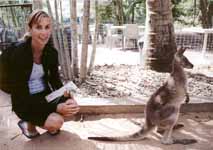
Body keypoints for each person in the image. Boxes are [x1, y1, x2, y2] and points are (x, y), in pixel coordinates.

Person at [0, 9, 79, 139]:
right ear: (30, 29)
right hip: (23, 99)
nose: (44, 32)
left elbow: (55, 81)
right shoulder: (18, 54)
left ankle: (41, 119)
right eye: (38, 27)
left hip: (44, 95)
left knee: (71, 105)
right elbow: (21, 95)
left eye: (47, 27)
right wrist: (57, 106)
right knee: (56, 122)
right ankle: (28, 124)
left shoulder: (51, 52)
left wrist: (66, 95)